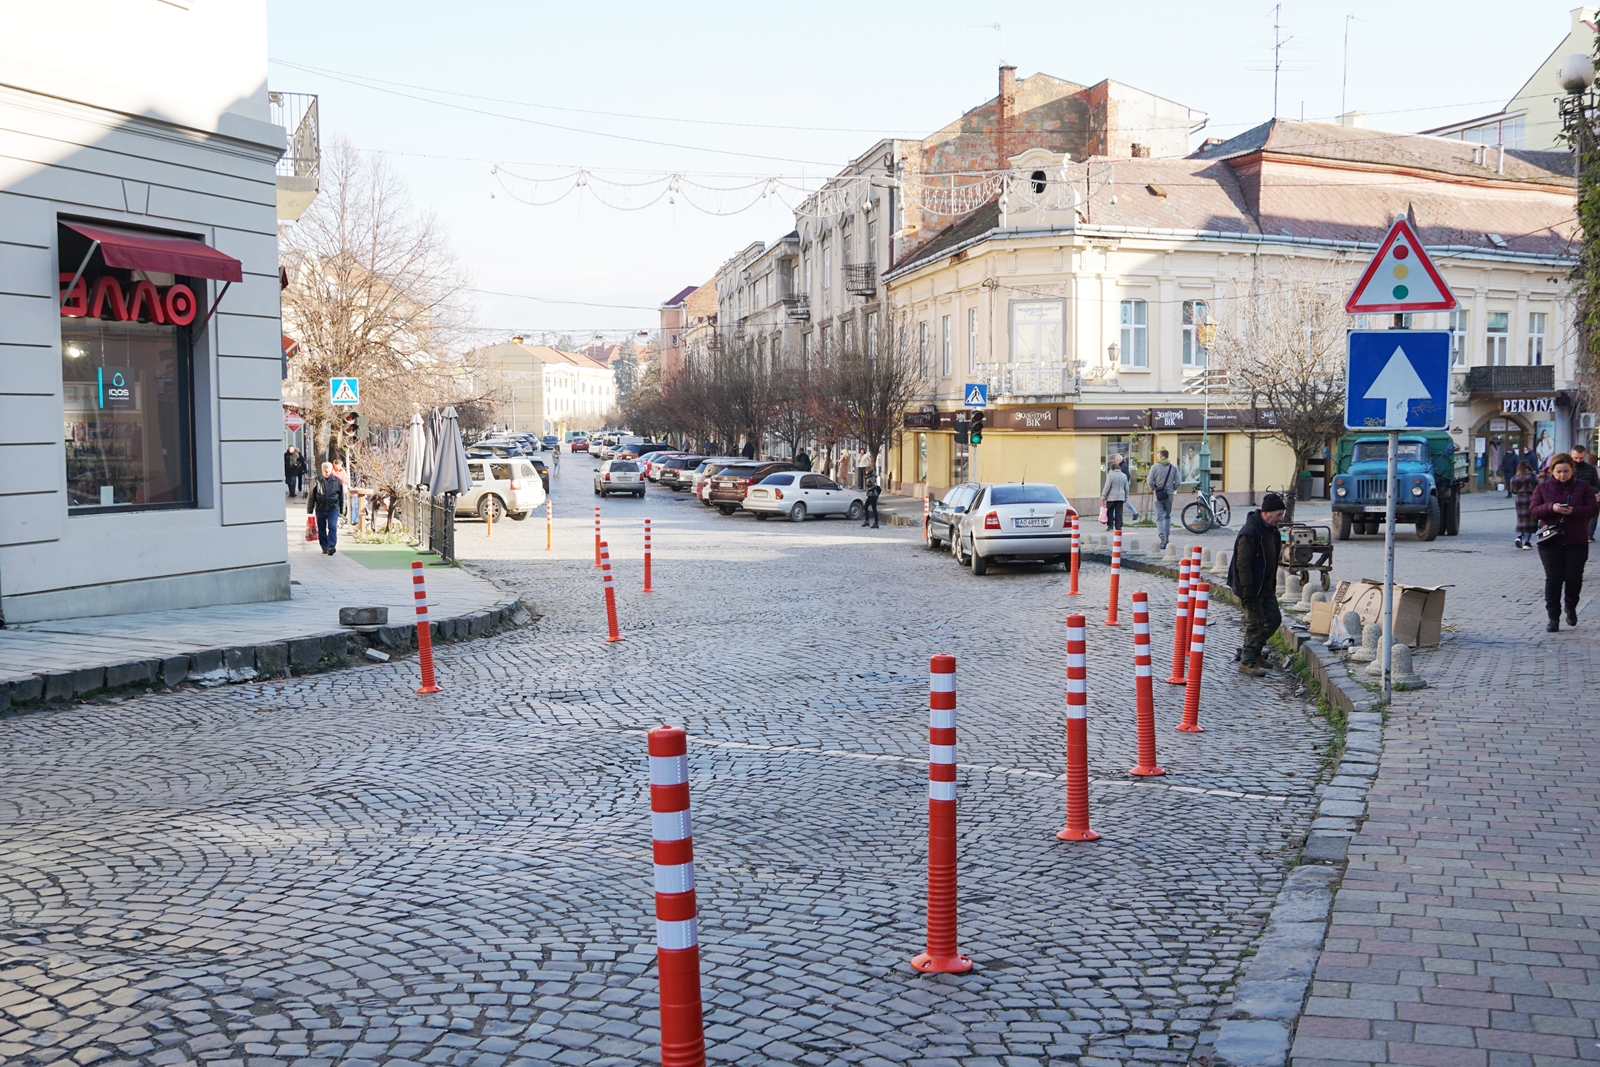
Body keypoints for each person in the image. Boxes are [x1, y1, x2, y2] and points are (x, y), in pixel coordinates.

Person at [1530, 452, 1600, 631]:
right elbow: (1534, 510)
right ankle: (1553, 617)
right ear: (1552, 471)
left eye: (1566, 471)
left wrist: (1574, 511)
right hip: (1550, 541)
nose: (1562, 475)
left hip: (1576, 540)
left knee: (1573, 578)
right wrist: (1551, 507)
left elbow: (1592, 509)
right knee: (1553, 579)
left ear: (1572, 470)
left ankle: (1571, 607)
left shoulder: (1583, 487)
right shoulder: (1543, 488)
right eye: (1559, 471)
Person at [1226, 491, 1288, 676]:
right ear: (1266, 512)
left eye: (1282, 514)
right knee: (1255, 623)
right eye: (1278, 515)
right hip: (1251, 587)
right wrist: (1247, 590)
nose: (1281, 518)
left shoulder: (1272, 531)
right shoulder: (1250, 533)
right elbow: (1242, 564)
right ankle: (1247, 662)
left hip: (1266, 586)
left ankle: (1255, 653)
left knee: (1274, 619)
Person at [306, 461, 345, 556]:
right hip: (320, 508)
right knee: (321, 528)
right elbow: (311, 495)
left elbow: (341, 496)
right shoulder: (316, 480)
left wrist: (342, 509)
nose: (326, 473)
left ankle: (331, 545)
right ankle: (324, 547)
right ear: (322, 470)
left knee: (332, 526)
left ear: (331, 470)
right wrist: (309, 509)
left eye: (328, 471)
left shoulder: (337, 481)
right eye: (325, 471)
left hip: (333, 508)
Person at [1147, 449, 1179, 549]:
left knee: (1159, 517)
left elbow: (1150, 481)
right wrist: (1172, 489)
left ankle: (1162, 538)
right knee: (1168, 516)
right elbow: (1178, 482)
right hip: (1169, 495)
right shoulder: (1173, 467)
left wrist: (1154, 489)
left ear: (1160, 456)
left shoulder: (1155, 467)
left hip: (1159, 495)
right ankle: (1168, 537)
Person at [1570, 443, 1600, 541]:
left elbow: (1597, 486)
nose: (1578, 461)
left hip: (1585, 503)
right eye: (1576, 458)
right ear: (1571, 455)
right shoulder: (1565, 468)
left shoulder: (1590, 469)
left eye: (1581, 458)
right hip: (1569, 501)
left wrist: (1587, 490)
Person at [1511, 461, 1539, 549]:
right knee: (1530, 520)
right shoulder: (1532, 476)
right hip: (1531, 498)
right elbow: (1537, 488)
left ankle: (1519, 536)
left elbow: (1513, 491)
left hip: (1519, 499)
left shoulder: (1515, 477)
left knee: (1521, 519)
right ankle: (1527, 542)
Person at [1101, 456, 1129, 531]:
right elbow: (1126, 488)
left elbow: (1107, 487)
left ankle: (1110, 526)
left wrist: (1103, 496)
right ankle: (1118, 527)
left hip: (1111, 497)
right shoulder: (1124, 476)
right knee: (1118, 512)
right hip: (1121, 497)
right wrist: (1126, 497)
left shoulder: (1110, 475)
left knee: (1110, 511)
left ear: (1112, 469)